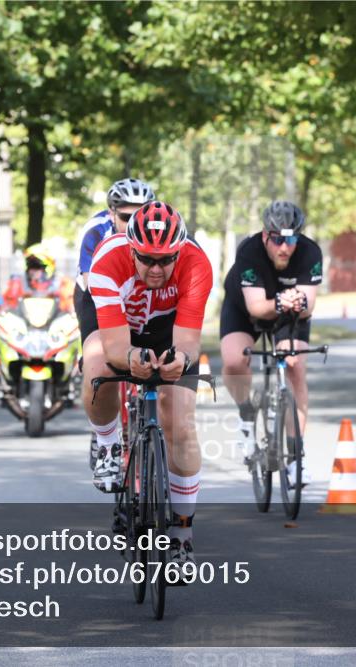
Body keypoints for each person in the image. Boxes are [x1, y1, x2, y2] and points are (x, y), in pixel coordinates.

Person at [84, 201, 212, 572]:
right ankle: (108, 445)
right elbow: (113, 347)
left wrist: (181, 362)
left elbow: (188, 341)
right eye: (147, 259)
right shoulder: (108, 261)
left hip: (170, 330)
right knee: (95, 363)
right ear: (130, 248)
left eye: (166, 260)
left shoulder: (196, 264)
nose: (156, 269)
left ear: (179, 251)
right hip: (120, 327)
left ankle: (182, 535)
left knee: (180, 424)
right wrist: (131, 360)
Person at [219, 201, 322, 487]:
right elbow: (255, 308)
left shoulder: (310, 252)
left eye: (291, 239)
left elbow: (308, 305)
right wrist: (280, 300)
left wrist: (296, 303)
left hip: (287, 315)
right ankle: (246, 414)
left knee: (295, 366)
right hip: (245, 310)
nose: (284, 247)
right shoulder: (249, 251)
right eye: (277, 239)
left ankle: (295, 458)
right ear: (266, 235)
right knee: (235, 360)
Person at [73, 178, 156, 344]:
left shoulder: (156, 229)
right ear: (112, 214)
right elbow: (91, 283)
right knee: (101, 350)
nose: (133, 225)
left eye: (139, 218)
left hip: (133, 290)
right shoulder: (95, 231)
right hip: (93, 292)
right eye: (126, 218)